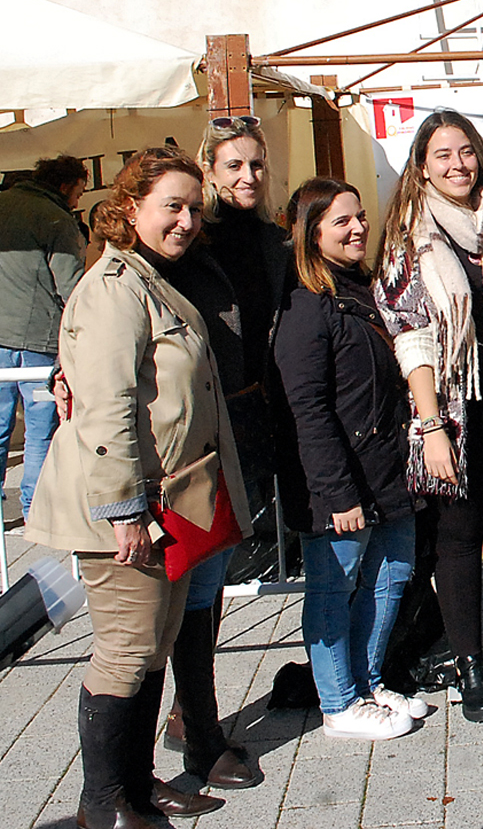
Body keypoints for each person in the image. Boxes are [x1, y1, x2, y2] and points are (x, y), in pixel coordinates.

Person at [27, 147, 252, 828]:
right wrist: (124, 510)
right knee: (126, 652)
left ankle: (136, 782)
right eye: (171, 207)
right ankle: (104, 802)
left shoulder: (150, 278)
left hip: (168, 504)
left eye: (192, 207)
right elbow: (108, 408)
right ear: (129, 210)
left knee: (152, 646)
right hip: (128, 509)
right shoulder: (114, 287)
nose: (185, 220)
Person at [375, 109, 483, 723]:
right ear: (422, 164)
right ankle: (471, 662)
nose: (458, 164)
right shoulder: (408, 235)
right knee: (459, 539)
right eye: (443, 154)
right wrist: (430, 427)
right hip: (447, 404)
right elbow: (411, 335)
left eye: (466, 151)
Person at [153, 114, 288, 791]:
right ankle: (193, 723)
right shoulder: (188, 242)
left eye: (256, 165)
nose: (246, 176)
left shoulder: (271, 238)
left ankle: (190, 711)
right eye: (233, 165)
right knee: (193, 582)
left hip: (252, 420)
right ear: (210, 169)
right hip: (201, 432)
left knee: (217, 576)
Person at [275, 178, 425, 740]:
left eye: (360, 217)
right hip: (340, 476)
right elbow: (307, 408)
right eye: (341, 221)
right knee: (333, 587)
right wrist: (337, 492)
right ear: (311, 232)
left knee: (392, 576)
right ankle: (338, 702)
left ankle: (367, 680)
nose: (358, 228)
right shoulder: (304, 304)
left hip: (387, 467)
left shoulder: (360, 287)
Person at [0, 154, 86, 526]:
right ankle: (35, 511)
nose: (78, 201)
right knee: (40, 431)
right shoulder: (55, 219)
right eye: (79, 192)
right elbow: (73, 289)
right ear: (65, 186)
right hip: (38, 344)